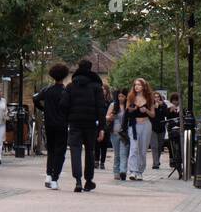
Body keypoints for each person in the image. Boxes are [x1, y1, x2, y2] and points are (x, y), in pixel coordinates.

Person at [65, 59, 106, 193]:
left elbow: (64, 105)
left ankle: (77, 180)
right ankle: (88, 180)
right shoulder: (96, 87)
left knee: (75, 151)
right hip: (90, 123)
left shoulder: (70, 86)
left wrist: (68, 118)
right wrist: (101, 128)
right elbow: (101, 108)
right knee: (90, 151)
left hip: (75, 122)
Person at [33, 63, 71, 189]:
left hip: (49, 123)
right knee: (60, 152)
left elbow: (35, 99)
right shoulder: (65, 92)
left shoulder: (47, 90)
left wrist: (44, 109)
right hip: (62, 124)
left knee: (51, 150)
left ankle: (48, 174)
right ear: (65, 76)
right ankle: (55, 178)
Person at [124, 78, 155, 181]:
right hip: (134, 124)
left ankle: (140, 172)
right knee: (134, 148)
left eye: (139, 85)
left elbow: (153, 114)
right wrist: (131, 109)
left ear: (144, 86)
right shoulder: (131, 97)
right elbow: (127, 111)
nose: (136, 87)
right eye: (135, 85)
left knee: (142, 150)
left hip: (146, 124)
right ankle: (133, 171)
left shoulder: (149, 98)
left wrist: (145, 110)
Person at [105, 88, 129, 181]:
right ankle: (116, 171)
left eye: (122, 96)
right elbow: (106, 117)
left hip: (124, 133)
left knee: (124, 153)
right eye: (119, 96)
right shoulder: (113, 105)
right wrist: (110, 117)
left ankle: (123, 171)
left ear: (126, 97)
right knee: (117, 154)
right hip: (114, 132)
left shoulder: (128, 106)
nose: (120, 98)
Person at [150, 91, 168, 169]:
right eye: (155, 97)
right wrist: (154, 108)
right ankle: (155, 163)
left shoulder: (163, 105)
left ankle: (157, 160)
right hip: (152, 128)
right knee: (154, 146)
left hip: (161, 128)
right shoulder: (150, 106)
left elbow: (166, 114)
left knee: (160, 146)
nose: (156, 98)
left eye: (158, 97)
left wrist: (162, 106)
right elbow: (151, 116)